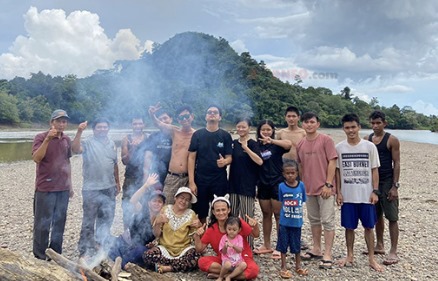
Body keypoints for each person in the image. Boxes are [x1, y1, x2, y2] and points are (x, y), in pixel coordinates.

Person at [335, 113, 383, 272]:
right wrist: (338, 192)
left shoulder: (369, 146)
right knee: (349, 227)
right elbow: (337, 172)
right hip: (348, 195)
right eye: (347, 127)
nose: (351, 130)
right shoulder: (339, 147)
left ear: (359, 127)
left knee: (369, 227)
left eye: (353, 127)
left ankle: (371, 258)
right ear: (343, 129)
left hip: (366, 195)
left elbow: (374, 170)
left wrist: (375, 191)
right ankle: (350, 255)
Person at [72, 117, 121, 258]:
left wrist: (117, 182)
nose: (102, 129)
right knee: (89, 220)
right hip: (91, 189)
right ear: (94, 129)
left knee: (106, 217)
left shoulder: (112, 143)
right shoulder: (88, 142)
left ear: (108, 129)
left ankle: (100, 243)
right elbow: (75, 149)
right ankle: (84, 249)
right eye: (99, 127)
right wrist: (79, 131)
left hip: (109, 187)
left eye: (105, 127)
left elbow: (115, 164)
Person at [296, 112, 337, 269]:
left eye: (312, 122)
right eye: (306, 122)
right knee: (313, 219)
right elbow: (300, 165)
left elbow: (332, 162)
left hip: (325, 188)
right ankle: (316, 248)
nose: (309, 125)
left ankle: (327, 253)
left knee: (327, 220)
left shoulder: (326, 140)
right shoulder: (301, 144)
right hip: (308, 188)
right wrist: (301, 185)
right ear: (303, 125)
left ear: (318, 124)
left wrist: (328, 184)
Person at [32, 109, 73, 260]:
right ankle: (40, 255)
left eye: (64, 121)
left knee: (59, 222)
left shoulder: (66, 140)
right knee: (42, 223)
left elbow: (67, 162)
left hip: (63, 187)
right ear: (51, 123)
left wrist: (70, 185)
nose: (62, 124)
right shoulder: (40, 137)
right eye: (58, 121)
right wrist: (47, 140)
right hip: (45, 188)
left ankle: (55, 253)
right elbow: (37, 158)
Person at [364, 110, 401, 265]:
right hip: (373, 182)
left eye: (378, 123)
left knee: (392, 216)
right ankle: (379, 245)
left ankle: (393, 250)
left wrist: (395, 186)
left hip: (387, 180)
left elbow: (397, 163)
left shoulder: (391, 140)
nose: (375, 126)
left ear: (384, 123)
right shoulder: (368, 139)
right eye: (373, 123)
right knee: (376, 215)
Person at [194, 194, 260, 280]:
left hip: (242, 258)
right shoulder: (211, 229)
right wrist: (196, 236)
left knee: (253, 270)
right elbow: (199, 249)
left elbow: (256, 235)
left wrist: (255, 226)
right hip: (225, 260)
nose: (221, 213)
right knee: (202, 262)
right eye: (218, 210)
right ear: (213, 212)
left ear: (229, 210)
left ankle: (223, 275)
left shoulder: (238, 222)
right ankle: (235, 274)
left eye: (223, 210)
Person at [253, 120, 291, 259]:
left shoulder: (277, 146)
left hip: (277, 182)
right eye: (263, 129)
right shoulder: (256, 145)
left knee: (278, 215)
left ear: (273, 130)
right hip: (262, 183)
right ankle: (267, 244)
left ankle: (281, 246)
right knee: (266, 214)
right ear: (259, 131)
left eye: (269, 129)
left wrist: (273, 141)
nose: (266, 132)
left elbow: (289, 145)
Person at [109, 174, 165, 268]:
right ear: (149, 203)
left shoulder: (162, 218)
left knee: (140, 251)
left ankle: (120, 264)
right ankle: (119, 262)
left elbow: (159, 237)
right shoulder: (142, 210)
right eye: (154, 201)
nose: (156, 203)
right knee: (110, 244)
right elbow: (132, 201)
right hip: (126, 242)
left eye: (160, 202)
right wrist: (146, 185)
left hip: (139, 249)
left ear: (163, 205)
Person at [188, 105, 233, 223]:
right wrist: (192, 182)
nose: (212, 114)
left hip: (219, 180)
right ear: (205, 117)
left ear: (220, 117)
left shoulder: (225, 136)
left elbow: (229, 158)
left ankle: (217, 239)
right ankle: (201, 237)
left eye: (215, 112)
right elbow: (191, 158)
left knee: (219, 211)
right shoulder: (197, 135)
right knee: (200, 212)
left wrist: (224, 162)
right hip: (201, 179)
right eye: (209, 112)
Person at [142, 186, 201, 273]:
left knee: (196, 257)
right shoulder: (165, 209)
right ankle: (177, 265)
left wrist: (198, 227)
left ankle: (167, 267)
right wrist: (158, 222)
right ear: (175, 198)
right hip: (164, 248)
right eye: (181, 198)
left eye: (187, 200)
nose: (184, 201)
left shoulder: (191, 214)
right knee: (147, 255)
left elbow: (195, 237)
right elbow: (157, 234)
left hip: (183, 249)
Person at [148, 104, 196, 205]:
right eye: (181, 117)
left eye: (186, 116)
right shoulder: (175, 131)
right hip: (172, 176)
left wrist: (192, 182)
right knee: (166, 207)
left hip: (188, 178)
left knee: (185, 208)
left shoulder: (197, 135)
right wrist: (152, 114)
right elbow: (159, 124)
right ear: (178, 120)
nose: (184, 119)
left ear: (192, 116)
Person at [228, 118, 262, 249]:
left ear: (250, 128)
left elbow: (259, 161)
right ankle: (231, 245)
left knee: (248, 217)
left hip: (247, 186)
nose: (241, 129)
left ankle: (248, 246)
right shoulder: (233, 143)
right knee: (232, 217)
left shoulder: (253, 144)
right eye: (239, 127)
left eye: (244, 127)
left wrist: (246, 148)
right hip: (233, 184)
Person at [277, 160, 308, 278]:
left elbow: (303, 200)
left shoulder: (301, 185)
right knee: (283, 244)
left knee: (296, 245)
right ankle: (283, 266)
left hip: (297, 222)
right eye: (287, 173)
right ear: (284, 174)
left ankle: (298, 265)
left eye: (292, 173)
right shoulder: (281, 186)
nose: (290, 175)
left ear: (297, 173)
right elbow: (281, 201)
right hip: (284, 222)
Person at [121, 116, 148, 229]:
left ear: (143, 125)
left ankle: (141, 232)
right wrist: (132, 148)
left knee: (143, 204)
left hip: (144, 177)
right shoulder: (126, 139)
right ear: (131, 125)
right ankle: (127, 232)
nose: (137, 126)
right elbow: (124, 161)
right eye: (135, 124)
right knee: (127, 204)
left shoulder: (148, 138)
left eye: (139, 124)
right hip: (130, 177)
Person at [143, 108, 173, 185]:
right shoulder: (153, 136)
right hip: (156, 174)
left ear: (171, 119)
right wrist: (146, 177)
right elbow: (148, 157)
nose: (163, 121)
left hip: (173, 175)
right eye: (160, 119)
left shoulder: (178, 135)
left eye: (165, 118)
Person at [216, 216, 247, 281]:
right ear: (226, 229)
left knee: (244, 265)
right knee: (227, 264)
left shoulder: (239, 238)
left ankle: (230, 276)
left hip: (237, 261)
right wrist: (225, 246)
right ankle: (220, 277)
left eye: (234, 230)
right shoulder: (224, 238)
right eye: (229, 229)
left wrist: (233, 246)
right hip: (227, 260)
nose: (231, 231)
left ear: (239, 230)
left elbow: (240, 250)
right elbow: (223, 252)